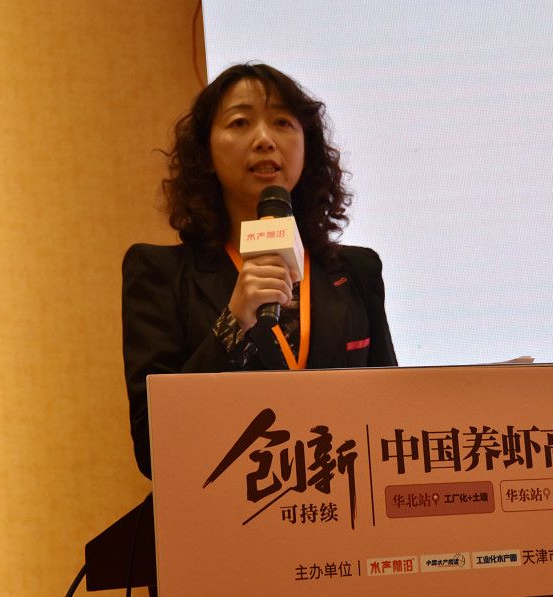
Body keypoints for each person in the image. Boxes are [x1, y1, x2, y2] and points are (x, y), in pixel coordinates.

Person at [122, 63, 397, 479]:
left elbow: (392, 417)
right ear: (206, 153)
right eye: (240, 122)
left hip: (345, 503)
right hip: (226, 506)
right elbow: (151, 449)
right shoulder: (160, 274)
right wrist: (233, 325)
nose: (265, 139)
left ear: (307, 146)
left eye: (282, 122)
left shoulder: (356, 272)